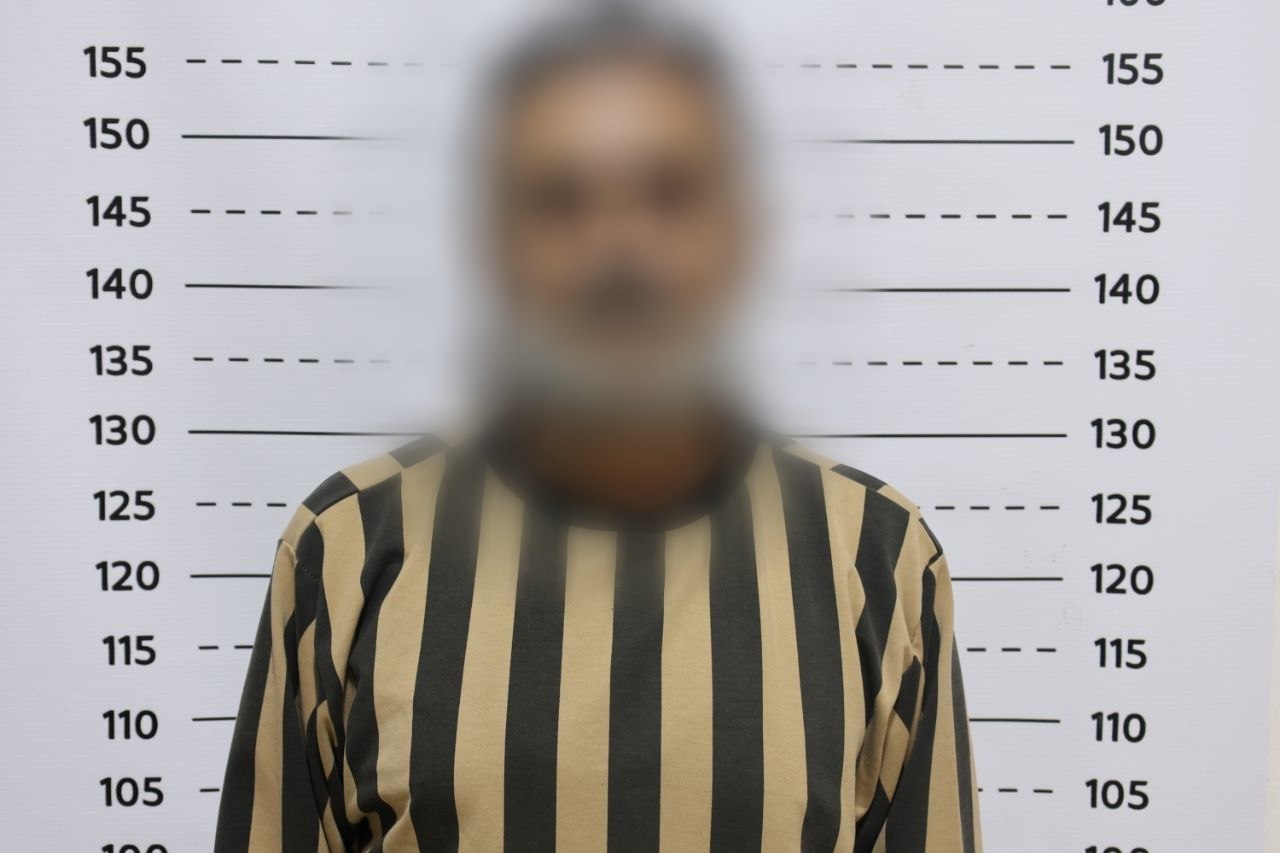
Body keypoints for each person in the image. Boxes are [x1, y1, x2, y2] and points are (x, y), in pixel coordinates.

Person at [215, 8, 981, 852]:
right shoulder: (348, 548)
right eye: (561, 200)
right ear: (495, 244)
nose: (620, 247)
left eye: (670, 192)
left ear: (740, 232)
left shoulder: (877, 556)